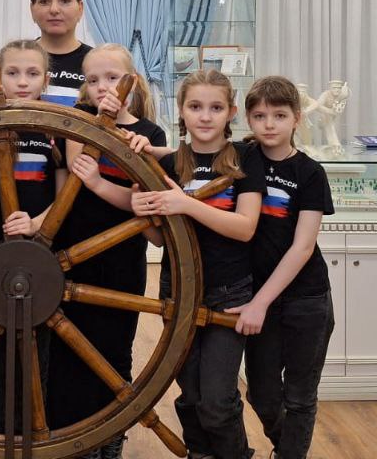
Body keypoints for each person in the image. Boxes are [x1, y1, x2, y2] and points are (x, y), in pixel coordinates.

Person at [133, 69, 263, 459]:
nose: (205, 116)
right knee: (190, 394)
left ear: (231, 113)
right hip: (178, 290)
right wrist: (142, 213)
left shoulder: (247, 158)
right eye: (195, 107)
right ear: (182, 111)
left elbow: (245, 228)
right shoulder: (171, 164)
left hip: (229, 292)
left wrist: (186, 204)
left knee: (217, 401)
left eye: (215, 108)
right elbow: (160, 238)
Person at [46, 44, 164, 459]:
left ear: (133, 82)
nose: (102, 86)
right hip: (71, 254)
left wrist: (103, 180)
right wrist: (103, 123)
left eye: (113, 78)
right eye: (93, 79)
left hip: (122, 258)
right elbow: (78, 170)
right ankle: (72, 441)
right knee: (68, 348)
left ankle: (111, 436)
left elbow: (143, 202)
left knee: (114, 349)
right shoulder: (77, 122)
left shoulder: (150, 136)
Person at [233, 76, 336, 459]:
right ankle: (288, 447)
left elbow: (303, 246)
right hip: (260, 296)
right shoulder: (241, 158)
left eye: (279, 115)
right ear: (248, 119)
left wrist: (259, 302)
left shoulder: (310, 173)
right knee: (260, 393)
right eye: (260, 116)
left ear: (296, 118)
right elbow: (195, 154)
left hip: (306, 299)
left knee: (299, 396)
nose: (269, 124)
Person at [0, 39, 67, 432]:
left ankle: (33, 442)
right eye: (12, 73)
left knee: (35, 364)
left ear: (46, 80)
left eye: (31, 73)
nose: (22, 82)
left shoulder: (54, 131)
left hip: (40, 259)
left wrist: (36, 223)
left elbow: (65, 195)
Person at [27, 0, 92, 106]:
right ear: (32, 10)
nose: (54, 10)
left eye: (65, 1)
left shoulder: (100, 63)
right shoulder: (9, 60)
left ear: (80, 8)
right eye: (44, 1)